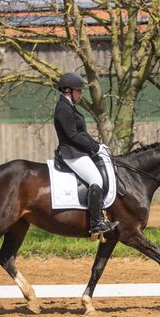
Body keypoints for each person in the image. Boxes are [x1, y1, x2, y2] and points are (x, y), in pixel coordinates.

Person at [53, 72, 116, 235]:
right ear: (68, 91)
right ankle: (96, 223)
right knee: (96, 179)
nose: (81, 94)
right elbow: (73, 135)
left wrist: (97, 145)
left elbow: (81, 133)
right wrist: (94, 148)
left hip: (79, 151)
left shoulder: (70, 106)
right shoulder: (63, 108)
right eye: (78, 91)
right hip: (72, 153)